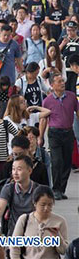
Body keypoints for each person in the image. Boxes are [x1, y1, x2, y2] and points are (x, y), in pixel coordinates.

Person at [41, 72, 79, 200]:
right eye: (59, 81)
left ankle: (62, 189)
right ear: (52, 85)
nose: (62, 83)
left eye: (63, 81)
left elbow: (77, 112)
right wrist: (40, 136)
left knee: (67, 162)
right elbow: (44, 119)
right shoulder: (47, 101)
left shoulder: (72, 97)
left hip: (68, 132)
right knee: (56, 161)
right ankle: (55, 189)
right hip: (54, 133)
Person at [10, 185, 68, 259]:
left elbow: (64, 251)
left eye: (50, 205)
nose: (46, 208)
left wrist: (57, 237)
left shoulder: (60, 221)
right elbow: (14, 247)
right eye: (42, 205)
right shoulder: (24, 220)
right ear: (35, 203)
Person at [0, 155, 39, 237]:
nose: (15, 173)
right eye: (13, 169)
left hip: (33, 234)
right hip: (13, 234)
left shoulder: (38, 190)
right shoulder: (8, 188)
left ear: (29, 171)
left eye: (19, 169)